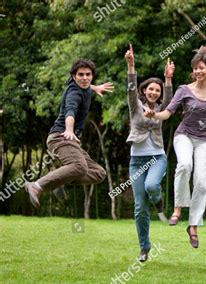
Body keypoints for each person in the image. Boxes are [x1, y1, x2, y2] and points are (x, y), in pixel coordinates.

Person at [151, 47, 206, 249]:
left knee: (202, 183)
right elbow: (167, 113)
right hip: (184, 135)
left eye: (201, 68)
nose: (197, 71)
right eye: (195, 68)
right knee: (184, 164)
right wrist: (154, 115)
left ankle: (193, 225)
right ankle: (177, 208)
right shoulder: (184, 90)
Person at [24, 59, 113, 208]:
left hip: (69, 139)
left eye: (88, 75)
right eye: (81, 75)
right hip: (61, 136)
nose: (85, 78)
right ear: (73, 76)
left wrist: (95, 87)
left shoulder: (83, 86)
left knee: (99, 173)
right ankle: (37, 186)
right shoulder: (74, 94)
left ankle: (60, 180)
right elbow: (70, 111)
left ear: (92, 75)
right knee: (79, 166)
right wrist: (69, 130)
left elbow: (86, 85)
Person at [125, 44, 175, 262]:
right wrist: (131, 65)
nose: (154, 92)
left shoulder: (161, 109)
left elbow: (171, 102)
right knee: (139, 208)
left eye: (158, 90)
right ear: (144, 90)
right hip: (136, 160)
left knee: (152, 186)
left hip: (157, 157)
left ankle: (159, 202)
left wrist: (168, 79)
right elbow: (129, 88)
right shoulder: (136, 106)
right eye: (151, 89)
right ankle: (144, 247)